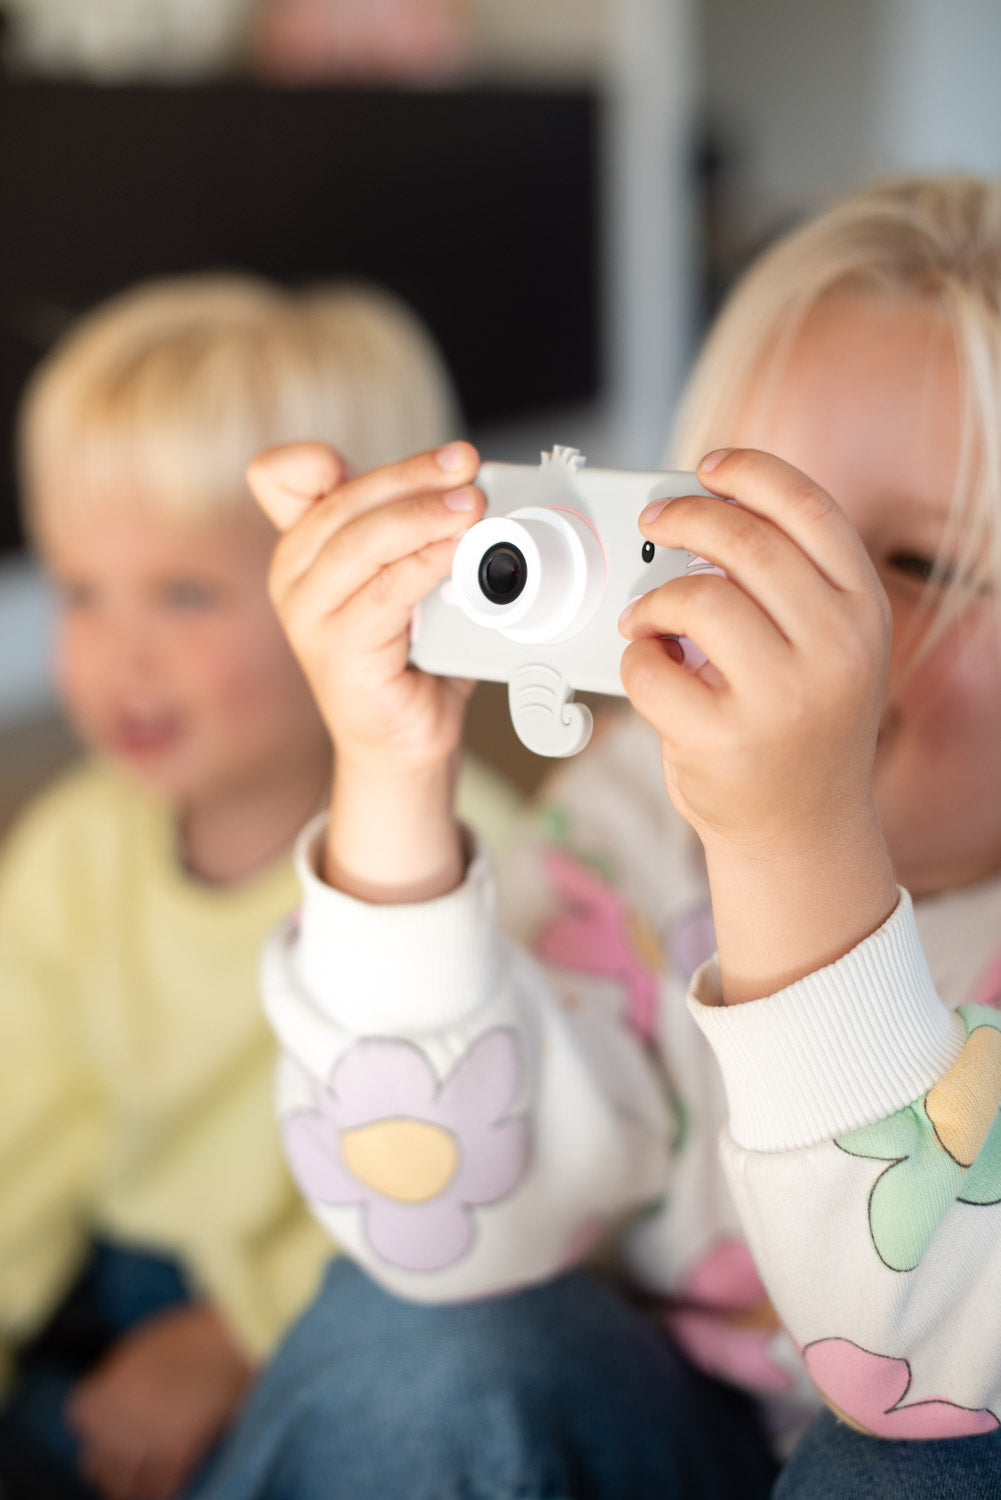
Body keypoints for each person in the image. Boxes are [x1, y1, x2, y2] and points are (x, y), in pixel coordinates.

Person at [193, 175, 1001, 1499]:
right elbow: (437, 1221)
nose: (800, 612)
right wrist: (391, 772)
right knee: (414, 1346)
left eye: (912, 564)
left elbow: (925, 1372)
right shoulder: (633, 823)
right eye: (743, 529)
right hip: (645, 1420)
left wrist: (796, 838)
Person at [0, 272, 518, 1500]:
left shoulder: (472, 861)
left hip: (322, 1299)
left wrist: (240, 1333)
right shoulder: (76, 848)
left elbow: (475, 1193)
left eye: (185, 592)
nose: (119, 652)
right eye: (82, 590)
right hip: (90, 1283)